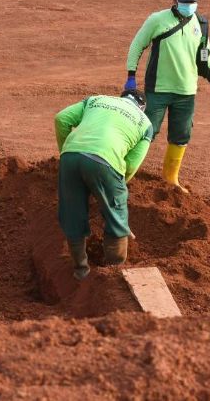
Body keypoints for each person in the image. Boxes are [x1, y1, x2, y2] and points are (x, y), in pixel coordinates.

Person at [125, 0, 210, 193]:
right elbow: (137, 44)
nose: (189, 5)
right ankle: (125, 174)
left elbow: (205, 58)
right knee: (145, 131)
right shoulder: (157, 20)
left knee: (181, 135)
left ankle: (171, 178)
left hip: (186, 92)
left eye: (192, 1)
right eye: (185, 1)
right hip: (158, 89)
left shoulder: (201, 25)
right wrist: (131, 74)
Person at [54, 90, 153, 280]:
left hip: (70, 157)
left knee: (72, 216)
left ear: (121, 98)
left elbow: (61, 119)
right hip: (106, 161)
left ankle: (81, 271)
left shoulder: (95, 100)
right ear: (142, 107)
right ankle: (113, 274)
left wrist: (67, 153)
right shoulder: (145, 123)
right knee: (117, 218)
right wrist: (115, 185)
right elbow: (132, 164)